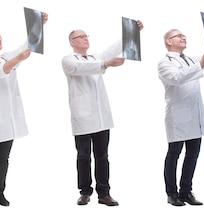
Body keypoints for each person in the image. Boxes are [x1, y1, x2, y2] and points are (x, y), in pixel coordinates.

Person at [61, 20, 143, 207]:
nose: (85, 39)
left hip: (101, 117)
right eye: (81, 36)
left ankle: (104, 193)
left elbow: (114, 48)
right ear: (72, 41)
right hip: (82, 117)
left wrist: (132, 31)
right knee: (83, 156)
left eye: (86, 36)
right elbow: (80, 69)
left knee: (102, 156)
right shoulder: (68, 60)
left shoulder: (95, 57)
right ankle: (84, 192)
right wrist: (105, 64)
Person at [0, 11, 47, 207]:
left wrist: (39, 24)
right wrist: (17, 60)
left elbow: (26, 46)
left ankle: (1, 193)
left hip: (9, 117)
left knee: (4, 158)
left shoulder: (6, 57)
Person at [158, 24, 204, 206]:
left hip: (195, 116)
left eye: (184, 35)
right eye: (178, 35)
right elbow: (177, 78)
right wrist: (201, 63)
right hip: (178, 117)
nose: (183, 37)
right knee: (174, 154)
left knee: (193, 155)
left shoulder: (188, 60)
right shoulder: (165, 63)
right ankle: (171, 193)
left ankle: (186, 192)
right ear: (169, 41)